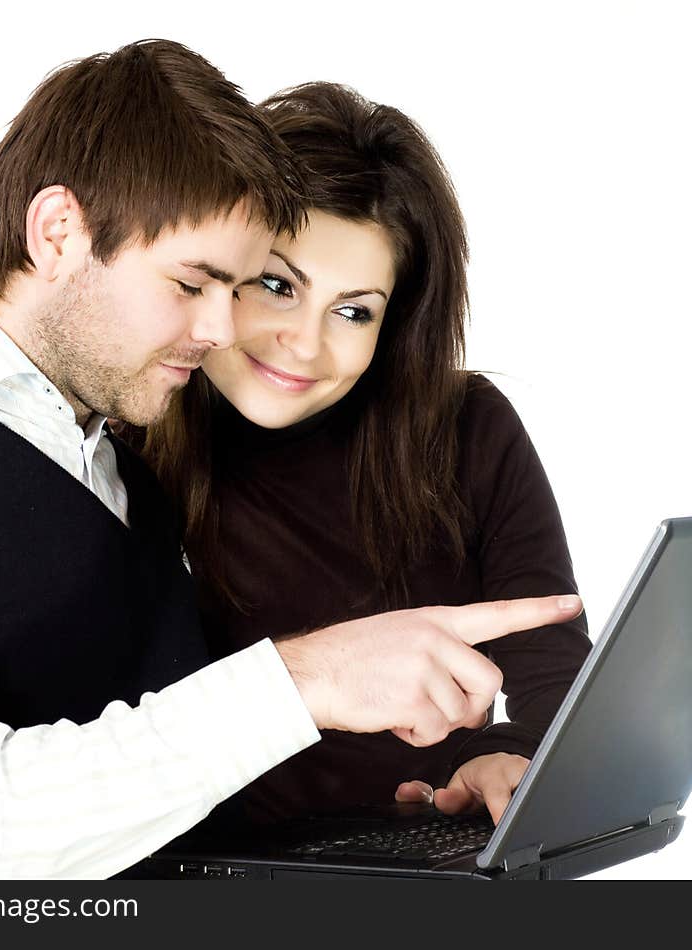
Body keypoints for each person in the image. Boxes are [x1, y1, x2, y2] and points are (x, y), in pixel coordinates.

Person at [0, 44, 583, 880]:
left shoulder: (109, 453)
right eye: (196, 285)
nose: (223, 330)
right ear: (58, 234)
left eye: (239, 287)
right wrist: (303, 679)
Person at [139, 82, 593, 828]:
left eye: (354, 311)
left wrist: (500, 756)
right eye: (278, 286)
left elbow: (556, 680)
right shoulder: (128, 439)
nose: (306, 343)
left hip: (425, 857)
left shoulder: (466, 428)